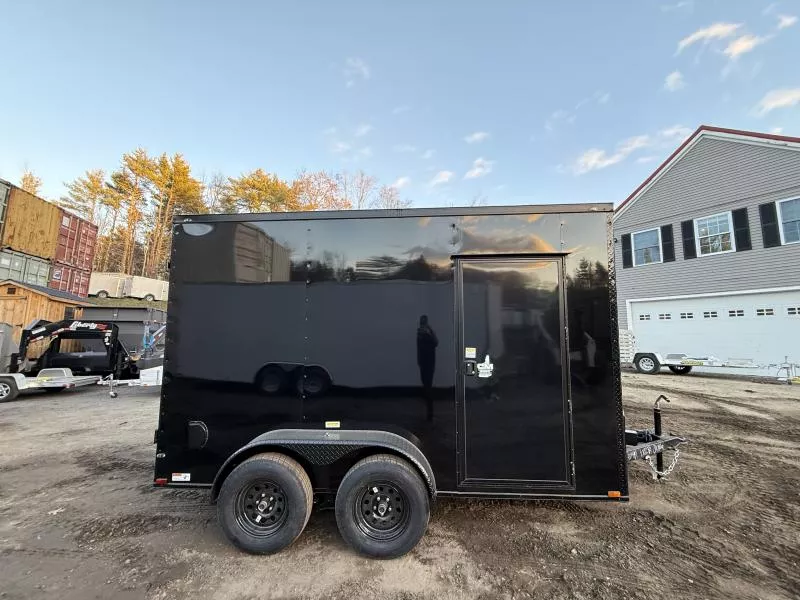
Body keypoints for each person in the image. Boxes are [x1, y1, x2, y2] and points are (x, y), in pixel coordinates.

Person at [416, 315, 438, 420]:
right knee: (426, 387)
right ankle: (430, 413)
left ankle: (430, 413)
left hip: (427, 364)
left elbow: (435, 343)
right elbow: (420, 347)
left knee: (427, 387)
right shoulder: (421, 333)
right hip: (426, 364)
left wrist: (430, 331)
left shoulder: (425, 333)